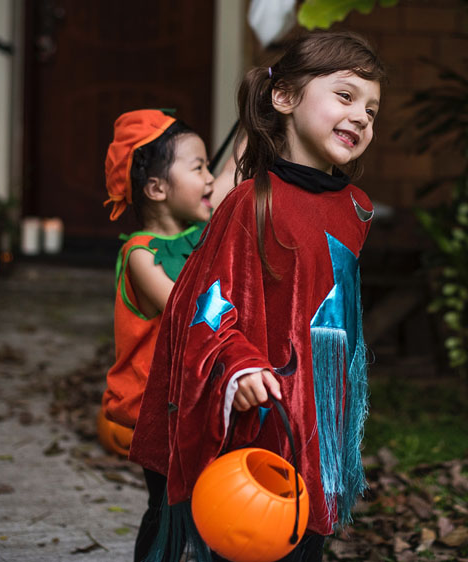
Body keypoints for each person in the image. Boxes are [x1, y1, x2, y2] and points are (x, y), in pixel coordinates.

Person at [130, 30, 385, 562]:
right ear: (285, 97)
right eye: (345, 96)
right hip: (261, 406)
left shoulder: (356, 207)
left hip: (319, 412)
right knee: (246, 536)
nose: (361, 116)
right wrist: (239, 367)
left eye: (372, 109)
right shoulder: (252, 202)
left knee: (303, 532)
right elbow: (204, 303)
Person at [99, 108, 237, 561]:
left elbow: (232, 177)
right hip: (160, 408)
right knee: (167, 506)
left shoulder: (203, 233)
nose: (211, 180)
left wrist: (257, 117)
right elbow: (187, 309)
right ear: (157, 188)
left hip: (197, 400)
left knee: (208, 502)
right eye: (198, 168)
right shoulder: (141, 253)